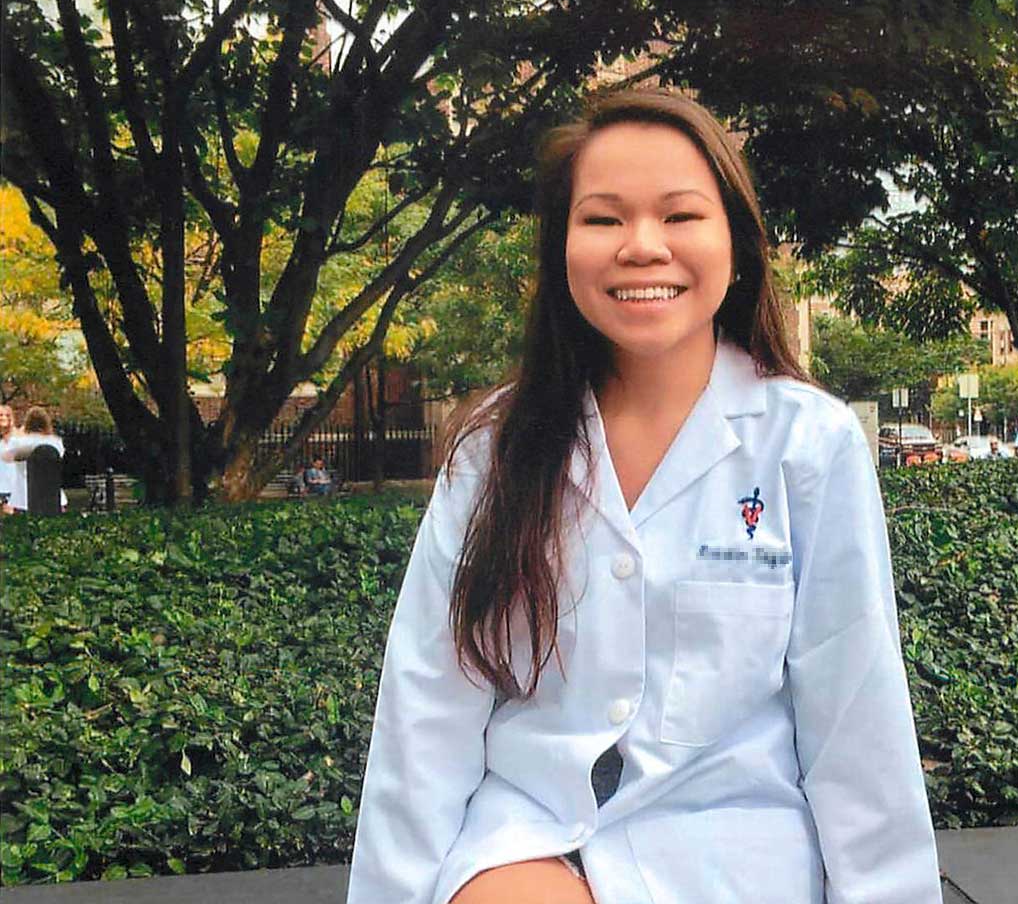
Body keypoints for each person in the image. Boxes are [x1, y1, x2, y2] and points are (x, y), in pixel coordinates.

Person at [347, 90, 942, 904]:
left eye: (681, 215)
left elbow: (856, 718)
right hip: (535, 834)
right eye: (602, 219)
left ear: (736, 241)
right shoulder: (498, 446)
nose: (642, 247)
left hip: (735, 851)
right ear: (562, 247)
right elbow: (427, 702)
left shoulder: (808, 444)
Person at [0, 406, 67, 512]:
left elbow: (5, 457)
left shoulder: (18, 442)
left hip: (23, 498)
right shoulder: (56, 442)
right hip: (53, 497)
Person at [0, 404, 16, 514]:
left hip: (12, 490)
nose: (3, 417)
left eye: (6, 415)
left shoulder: (18, 439)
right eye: (0, 415)